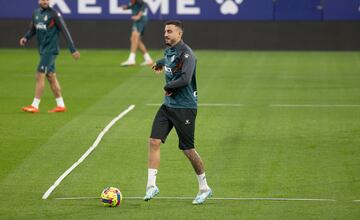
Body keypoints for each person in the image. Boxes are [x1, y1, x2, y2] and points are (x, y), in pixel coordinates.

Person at [144, 20, 212, 205]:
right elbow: (167, 60)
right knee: (153, 141)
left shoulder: (187, 54)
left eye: (169, 31)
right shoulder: (170, 51)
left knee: (188, 150)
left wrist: (168, 86)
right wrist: (159, 63)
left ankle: (204, 187)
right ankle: (151, 185)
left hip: (185, 108)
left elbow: (186, 78)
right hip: (168, 106)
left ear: (179, 34)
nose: (165, 34)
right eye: (165, 31)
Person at [20, 0, 80, 113]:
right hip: (42, 50)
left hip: (50, 50)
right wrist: (26, 38)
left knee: (39, 74)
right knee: (51, 76)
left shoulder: (54, 14)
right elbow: (33, 29)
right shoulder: (36, 13)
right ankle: (61, 105)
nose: (45, 1)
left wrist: (72, 49)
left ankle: (35, 105)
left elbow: (65, 31)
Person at [120, 0, 153, 67]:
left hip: (140, 20)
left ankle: (131, 59)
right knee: (136, 40)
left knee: (134, 38)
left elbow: (144, 4)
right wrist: (126, 7)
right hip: (138, 21)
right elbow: (133, 5)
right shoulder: (133, 2)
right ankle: (148, 59)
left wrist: (138, 15)